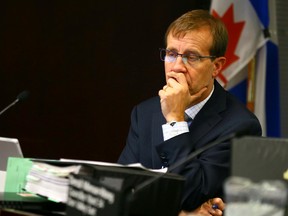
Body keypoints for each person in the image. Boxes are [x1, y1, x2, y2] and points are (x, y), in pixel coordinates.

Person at [118, 9, 262, 215]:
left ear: (217, 66)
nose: (177, 66)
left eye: (191, 57)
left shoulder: (240, 126)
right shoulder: (144, 113)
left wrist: (174, 120)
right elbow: (121, 193)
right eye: (171, 54)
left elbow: (190, 193)